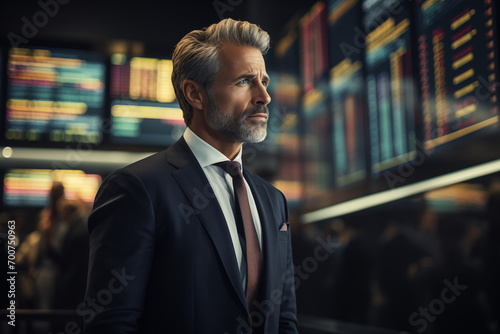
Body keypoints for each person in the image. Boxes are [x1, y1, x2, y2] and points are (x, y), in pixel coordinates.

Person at [83, 19, 298, 334]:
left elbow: (284, 319)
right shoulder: (138, 189)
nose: (264, 96)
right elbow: (111, 323)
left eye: (264, 81)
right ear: (195, 94)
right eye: (244, 81)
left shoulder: (273, 199)